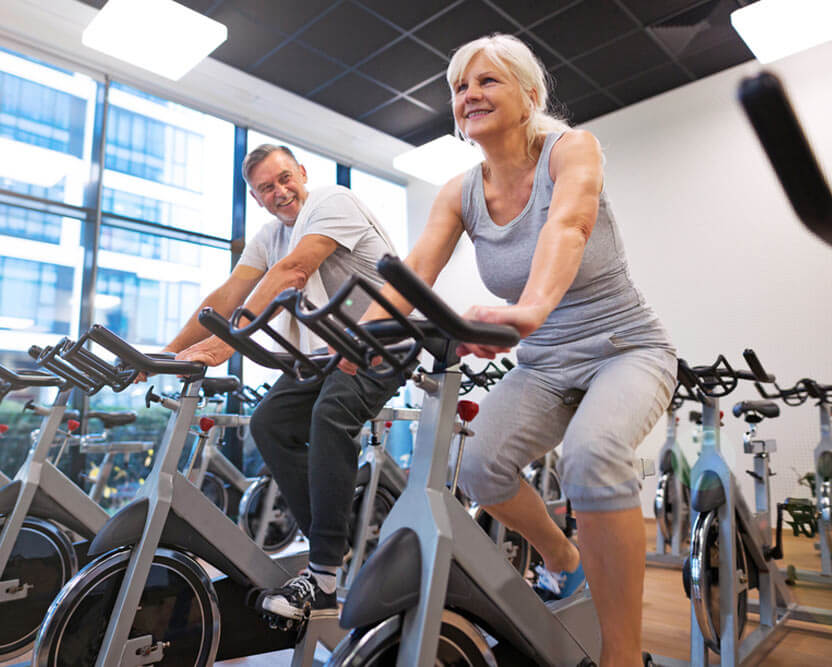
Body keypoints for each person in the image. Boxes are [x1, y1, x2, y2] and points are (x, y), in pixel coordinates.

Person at [342, 34, 676, 667]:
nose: (469, 95)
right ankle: (561, 557)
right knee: (478, 466)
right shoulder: (458, 191)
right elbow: (415, 269)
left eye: (487, 81)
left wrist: (530, 309)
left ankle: (623, 656)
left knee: (593, 454)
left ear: (530, 94)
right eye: (460, 88)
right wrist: (357, 336)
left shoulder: (571, 150)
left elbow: (569, 224)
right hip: (544, 364)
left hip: (625, 347)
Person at [164, 143, 403, 621]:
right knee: (270, 422)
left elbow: (295, 269)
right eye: (266, 188)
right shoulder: (269, 236)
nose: (280, 192)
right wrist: (165, 356)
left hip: (384, 337)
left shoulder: (332, 201)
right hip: (327, 350)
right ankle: (332, 542)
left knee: (330, 415)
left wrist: (230, 343)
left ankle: (324, 576)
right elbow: (229, 294)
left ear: (303, 173)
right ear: (256, 198)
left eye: (285, 179)